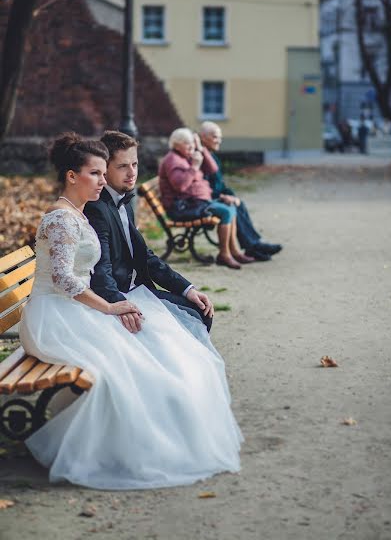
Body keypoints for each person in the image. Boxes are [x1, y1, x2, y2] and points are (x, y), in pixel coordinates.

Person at [19, 132, 242, 490]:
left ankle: (161, 433)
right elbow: (62, 279)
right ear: (72, 176)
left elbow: (106, 266)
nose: (103, 181)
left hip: (74, 309)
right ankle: (122, 447)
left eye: (104, 173)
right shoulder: (63, 218)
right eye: (96, 173)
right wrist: (110, 307)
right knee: (130, 370)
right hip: (54, 317)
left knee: (148, 359)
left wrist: (115, 306)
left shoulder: (77, 212)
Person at [84, 130, 213, 332]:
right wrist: (122, 306)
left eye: (134, 164)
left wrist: (187, 289)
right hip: (121, 295)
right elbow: (102, 271)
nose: (132, 172)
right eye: (123, 166)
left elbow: (146, 256)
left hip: (139, 287)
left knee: (199, 309)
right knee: (194, 318)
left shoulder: (124, 202)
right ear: (104, 169)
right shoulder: (97, 209)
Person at [159, 127, 254, 270]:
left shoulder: (186, 156)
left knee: (231, 207)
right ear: (176, 145)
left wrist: (200, 148)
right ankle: (224, 254)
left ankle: (233, 251)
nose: (191, 147)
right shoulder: (173, 160)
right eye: (187, 143)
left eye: (192, 143)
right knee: (226, 212)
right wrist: (195, 167)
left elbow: (213, 170)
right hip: (183, 207)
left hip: (196, 203)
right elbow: (180, 186)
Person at [199, 121, 283, 261]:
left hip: (216, 197)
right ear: (203, 137)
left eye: (220, 137)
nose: (219, 140)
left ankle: (253, 246)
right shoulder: (202, 158)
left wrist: (229, 195)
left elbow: (219, 183)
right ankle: (253, 246)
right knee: (233, 206)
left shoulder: (210, 155)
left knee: (239, 204)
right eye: (215, 137)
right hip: (207, 201)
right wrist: (222, 197)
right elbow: (204, 187)